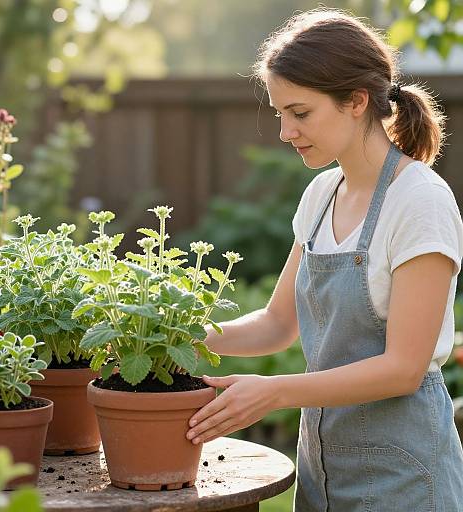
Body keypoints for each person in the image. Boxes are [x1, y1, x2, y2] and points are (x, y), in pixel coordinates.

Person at [185, 8, 463, 511]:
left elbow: (404, 368)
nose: (286, 131)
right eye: (279, 114)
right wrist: (178, 338)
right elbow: (275, 325)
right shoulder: (321, 195)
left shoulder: (420, 201)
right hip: (322, 472)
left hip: (405, 476)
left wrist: (272, 392)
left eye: (301, 112)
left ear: (356, 101)